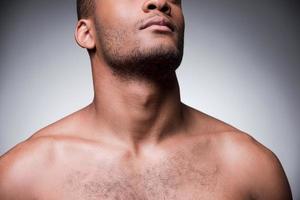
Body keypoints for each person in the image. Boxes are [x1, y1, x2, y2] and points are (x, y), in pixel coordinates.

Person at [0, 0, 293, 199]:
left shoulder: (252, 168)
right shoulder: (21, 177)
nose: (160, 2)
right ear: (86, 33)